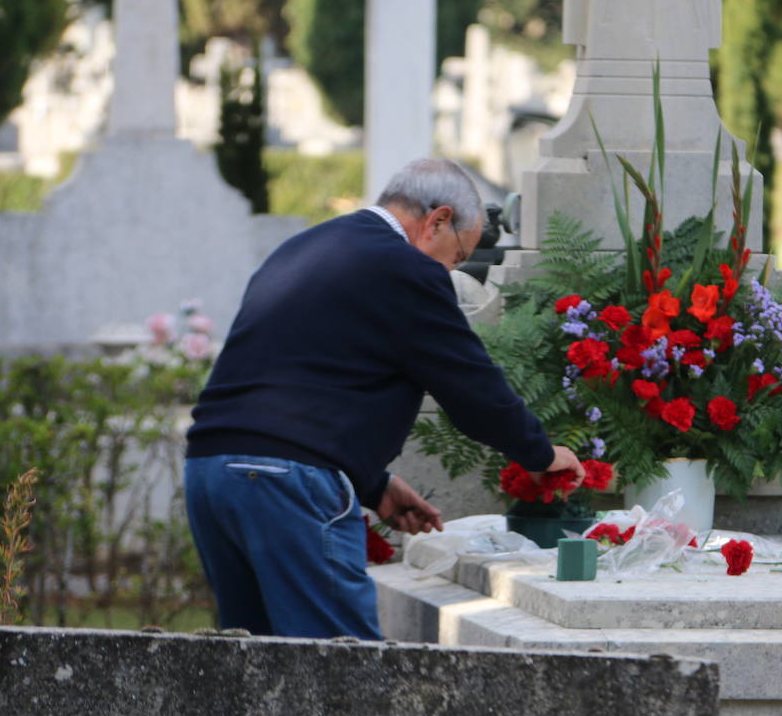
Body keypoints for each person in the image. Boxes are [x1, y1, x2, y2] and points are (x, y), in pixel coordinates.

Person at [184, 158, 583, 640]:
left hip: (211, 471)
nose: (451, 270)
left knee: (254, 660)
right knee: (341, 665)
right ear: (438, 221)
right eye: (458, 257)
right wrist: (540, 454)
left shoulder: (303, 247)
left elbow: (308, 373)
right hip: (288, 480)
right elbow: (469, 384)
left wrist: (374, 485)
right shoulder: (405, 267)